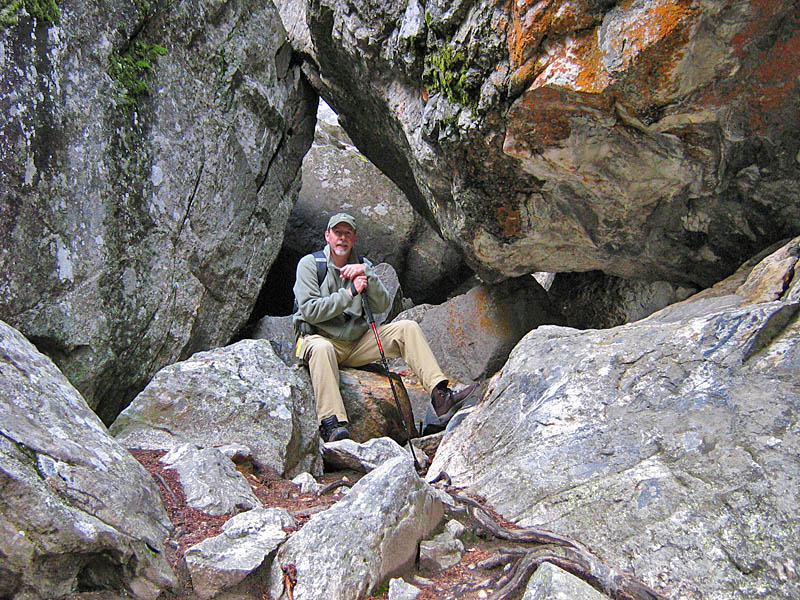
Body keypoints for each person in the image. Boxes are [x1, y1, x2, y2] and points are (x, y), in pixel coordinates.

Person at [292, 212, 478, 442]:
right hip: (318, 340)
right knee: (322, 349)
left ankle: (440, 395)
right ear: (327, 236)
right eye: (337, 233)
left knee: (406, 328)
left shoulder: (362, 265)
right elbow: (310, 311)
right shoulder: (311, 265)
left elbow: (380, 305)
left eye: (347, 233)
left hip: (355, 343)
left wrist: (368, 275)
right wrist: (349, 292)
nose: (342, 238)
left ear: (354, 238)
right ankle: (332, 424)